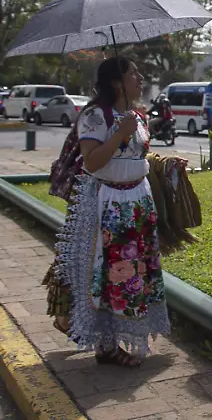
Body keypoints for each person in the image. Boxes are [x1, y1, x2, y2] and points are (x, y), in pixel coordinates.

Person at [52, 57, 169, 366]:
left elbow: (135, 158)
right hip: (110, 207)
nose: (140, 77)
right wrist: (120, 133)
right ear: (116, 82)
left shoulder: (136, 116)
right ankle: (107, 344)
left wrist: (166, 165)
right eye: (133, 73)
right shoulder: (95, 116)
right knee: (111, 273)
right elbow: (92, 162)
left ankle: (117, 340)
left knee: (135, 272)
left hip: (138, 204)